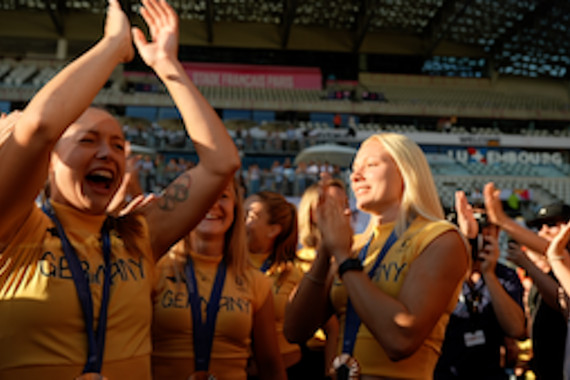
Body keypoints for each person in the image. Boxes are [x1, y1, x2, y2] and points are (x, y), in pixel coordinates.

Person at [0, 0, 240, 378]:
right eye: (87, 141)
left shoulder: (138, 234)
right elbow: (38, 128)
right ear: (50, 160)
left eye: (117, 145)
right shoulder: (12, 226)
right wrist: (114, 46)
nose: (107, 153)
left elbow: (221, 163)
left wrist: (168, 67)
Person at [284, 133, 469, 379]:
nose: (355, 176)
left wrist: (343, 259)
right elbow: (294, 330)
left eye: (371, 165)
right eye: (354, 169)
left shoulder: (440, 239)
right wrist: (327, 252)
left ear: (406, 171)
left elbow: (400, 340)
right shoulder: (355, 246)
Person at [152, 179, 286, 380]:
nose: (212, 204)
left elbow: (271, 367)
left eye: (223, 196)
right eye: (204, 194)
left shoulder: (255, 281)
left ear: (235, 209)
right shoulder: (156, 269)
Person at [433, 191, 526, 380]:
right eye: (470, 221)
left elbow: (516, 329)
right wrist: (460, 260)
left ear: (497, 231)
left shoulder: (504, 275)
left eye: (485, 224)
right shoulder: (438, 272)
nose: (478, 231)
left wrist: (489, 275)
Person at [244, 191, 304, 377]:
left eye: (250, 216)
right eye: (241, 213)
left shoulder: (293, 273)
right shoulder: (226, 265)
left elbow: (329, 326)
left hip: (288, 370)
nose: (241, 221)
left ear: (273, 230)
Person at [296, 178, 349, 379]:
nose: (345, 213)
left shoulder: (357, 258)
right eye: (334, 207)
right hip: (306, 359)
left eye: (346, 205)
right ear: (311, 211)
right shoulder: (295, 264)